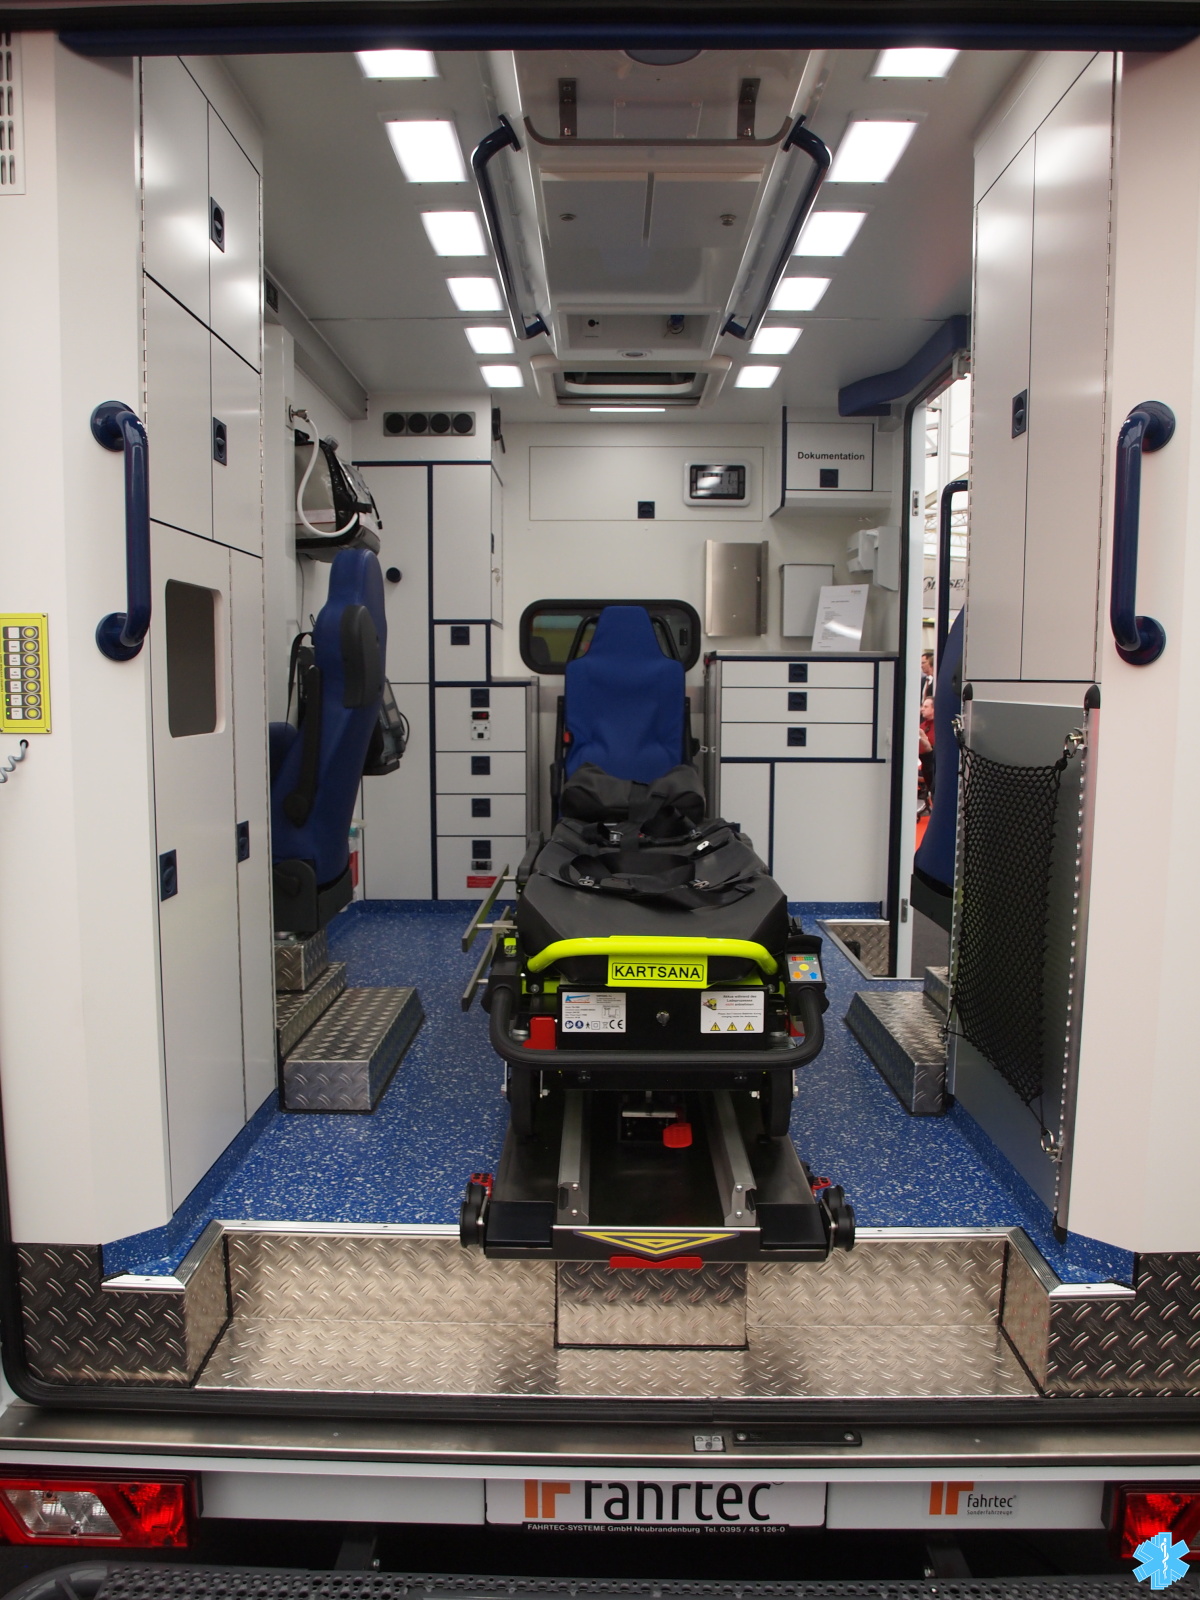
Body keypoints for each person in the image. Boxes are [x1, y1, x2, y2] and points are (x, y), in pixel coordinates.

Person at [918, 693, 936, 816]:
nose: (922, 709)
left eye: (926, 706)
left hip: (933, 764)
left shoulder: (939, 727)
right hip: (924, 763)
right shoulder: (922, 726)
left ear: (934, 709)